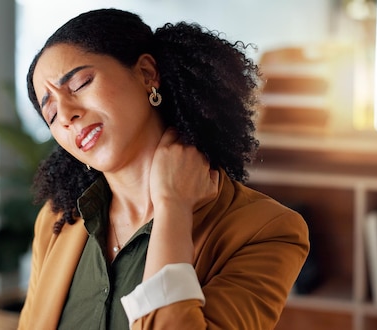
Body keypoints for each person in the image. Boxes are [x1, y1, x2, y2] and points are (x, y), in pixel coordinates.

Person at [18, 8, 309, 329]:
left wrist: (173, 209)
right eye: (52, 114)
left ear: (146, 73)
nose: (67, 114)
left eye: (81, 83)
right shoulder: (56, 221)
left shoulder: (267, 231)